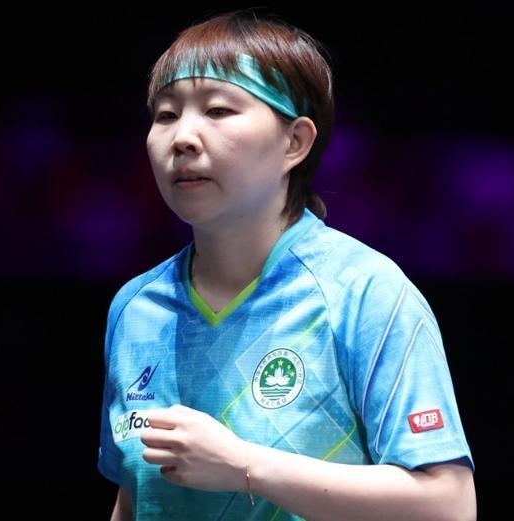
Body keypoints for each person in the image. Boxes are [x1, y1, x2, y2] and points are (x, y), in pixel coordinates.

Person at [98, 8, 476, 521]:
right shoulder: (137, 309)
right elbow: (135, 497)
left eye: (218, 110)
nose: (182, 137)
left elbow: (449, 504)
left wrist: (245, 466)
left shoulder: (364, 293)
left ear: (294, 142)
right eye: (166, 114)